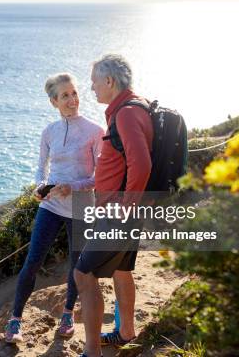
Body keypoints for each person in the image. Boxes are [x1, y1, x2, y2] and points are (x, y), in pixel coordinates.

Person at [4, 73, 104, 343]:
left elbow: (99, 177)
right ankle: (15, 321)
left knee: (76, 264)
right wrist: (40, 187)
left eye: (74, 93)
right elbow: (41, 167)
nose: (73, 100)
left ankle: (68, 313)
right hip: (51, 205)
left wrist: (73, 186)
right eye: (65, 96)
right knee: (33, 262)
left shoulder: (95, 131)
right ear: (54, 102)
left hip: (82, 204)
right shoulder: (49, 132)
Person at [73, 54, 153, 357]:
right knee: (121, 269)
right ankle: (125, 331)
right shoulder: (131, 107)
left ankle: (91, 351)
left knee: (83, 273)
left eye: (94, 82)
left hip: (120, 214)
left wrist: (124, 207)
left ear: (109, 81)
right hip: (130, 210)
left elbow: (141, 164)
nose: (91, 88)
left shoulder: (126, 114)